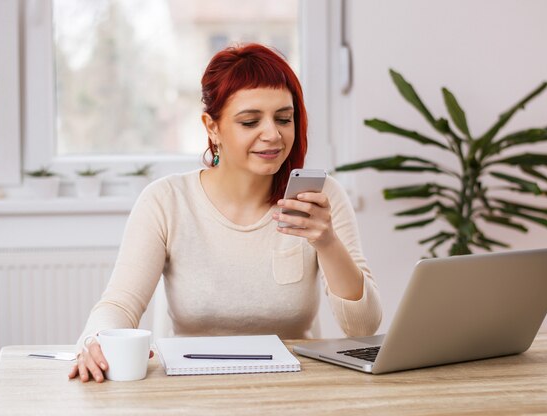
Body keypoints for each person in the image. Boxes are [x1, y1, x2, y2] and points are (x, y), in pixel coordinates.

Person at [69, 43, 382, 383]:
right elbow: (120, 304)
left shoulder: (320, 199)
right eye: (250, 121)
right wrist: (94, 341)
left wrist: (328, 243)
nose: (273, 135)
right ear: (212, 127)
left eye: (284, 118)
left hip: (294, 389)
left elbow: (362, 328)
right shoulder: (166, 201)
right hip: (192, 389)